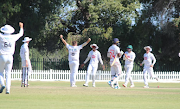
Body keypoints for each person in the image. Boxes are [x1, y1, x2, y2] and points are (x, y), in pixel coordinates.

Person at [0, 22, 24, 94]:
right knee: (8, 73)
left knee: (0, 72)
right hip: (10, 56)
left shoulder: (1, 36)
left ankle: (2, 84)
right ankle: (8, 89)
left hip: (2, 55)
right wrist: (21, 27)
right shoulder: (13, 37)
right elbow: (20, 34)